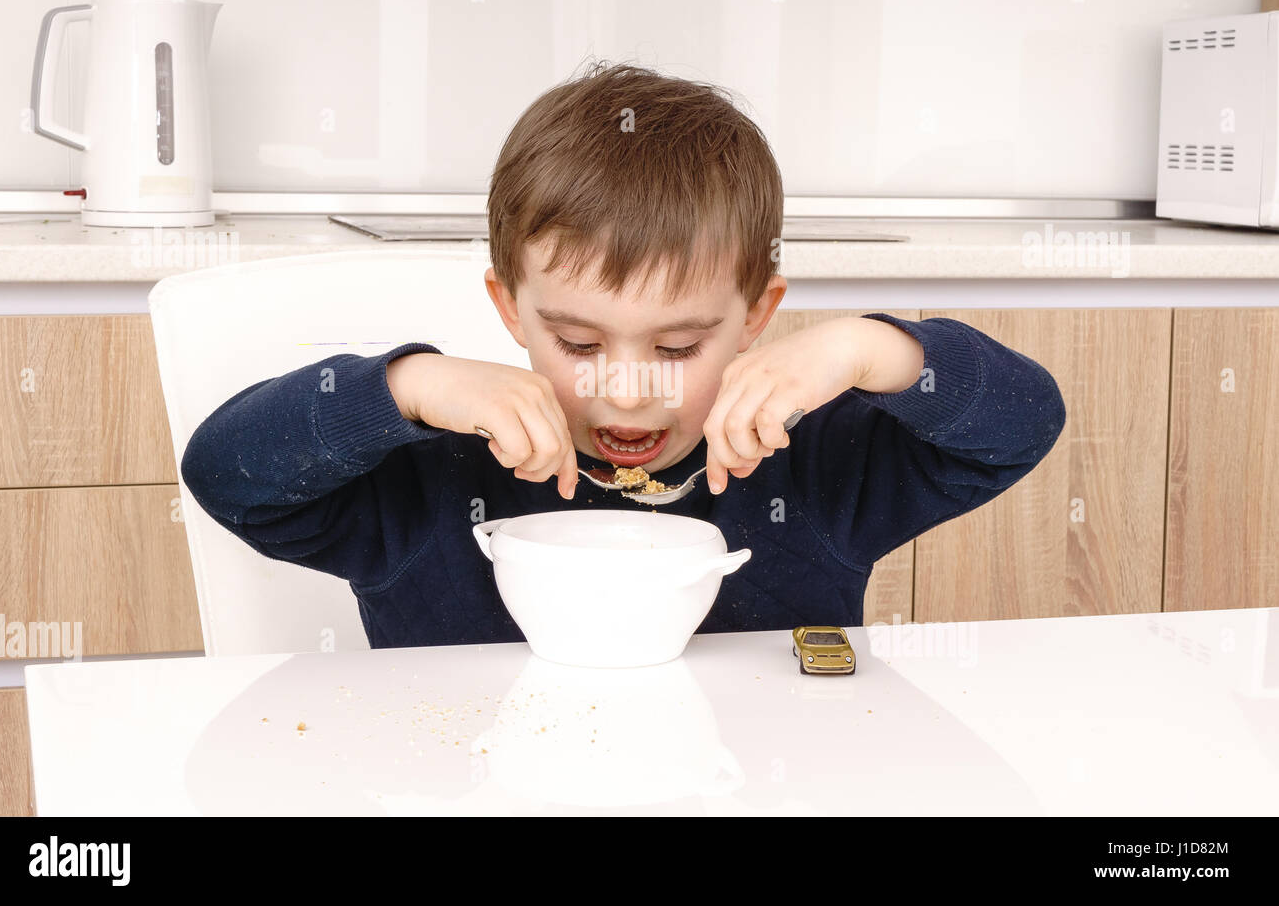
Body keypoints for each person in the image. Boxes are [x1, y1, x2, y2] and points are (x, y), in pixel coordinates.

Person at [181, 61, 1066, 647]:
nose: (626, 386)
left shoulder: (820, 467)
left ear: (758, 315)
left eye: (679, 345)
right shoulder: (428, 480)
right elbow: (226, 472)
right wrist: (405, 385)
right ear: (510, 310)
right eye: (576, 341)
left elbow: (1024, 423)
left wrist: (875, 349)